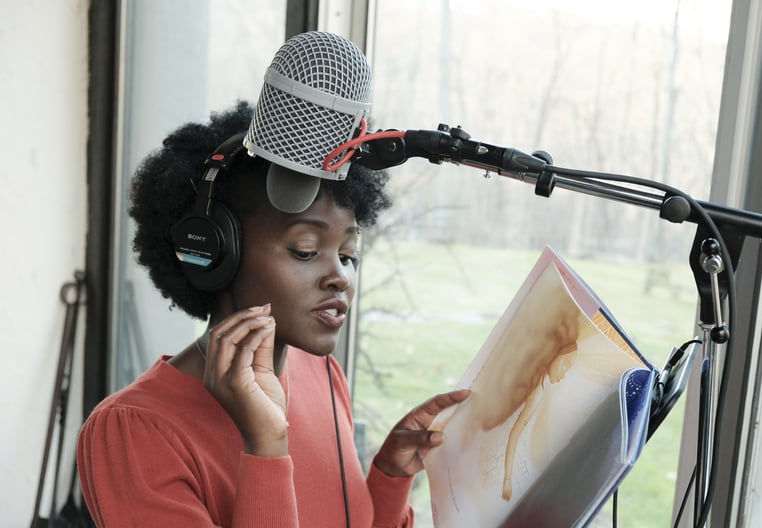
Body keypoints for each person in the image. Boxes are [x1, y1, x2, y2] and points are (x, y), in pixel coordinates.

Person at [76, 97, 469, 527]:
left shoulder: (320, 373)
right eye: (305, 250)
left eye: (348, 253)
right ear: (218, 250)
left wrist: (390, 477)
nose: (339, 276)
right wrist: (266, 446)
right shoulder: (134, 433)